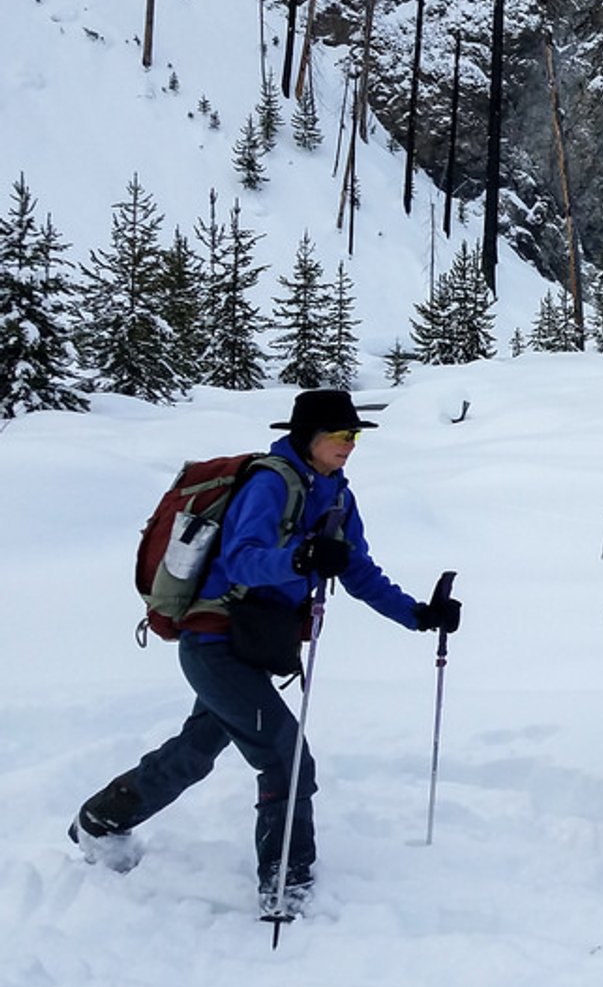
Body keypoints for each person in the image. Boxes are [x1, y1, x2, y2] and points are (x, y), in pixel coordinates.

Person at [68, 389, 463, 916]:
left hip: (255, 646)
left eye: (355, 435)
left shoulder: (339, 497)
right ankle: (286, 884)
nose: (351, 444)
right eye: (341, 435)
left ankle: (99, 821)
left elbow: (358, 571)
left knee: (194, 753)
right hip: (215, 642)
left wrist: (417, 615)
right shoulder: (270, 483)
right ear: (310, 437)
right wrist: (299, 558)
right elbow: (243, 561)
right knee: (287, 758)